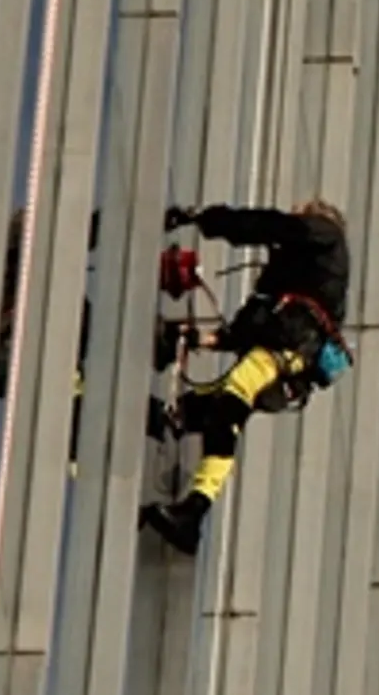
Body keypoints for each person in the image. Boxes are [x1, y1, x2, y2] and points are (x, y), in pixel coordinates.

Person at [140, 197, 353, 554]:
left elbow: (268, 224)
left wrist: (204, 219)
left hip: (288, 345)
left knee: (231, 402)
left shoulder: (324, 233)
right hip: (284, 350)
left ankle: (194, 512)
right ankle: (155, 426)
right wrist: (198, 341)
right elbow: (249, 324)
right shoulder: (294, 273)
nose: (294, 219)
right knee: (201, 412)